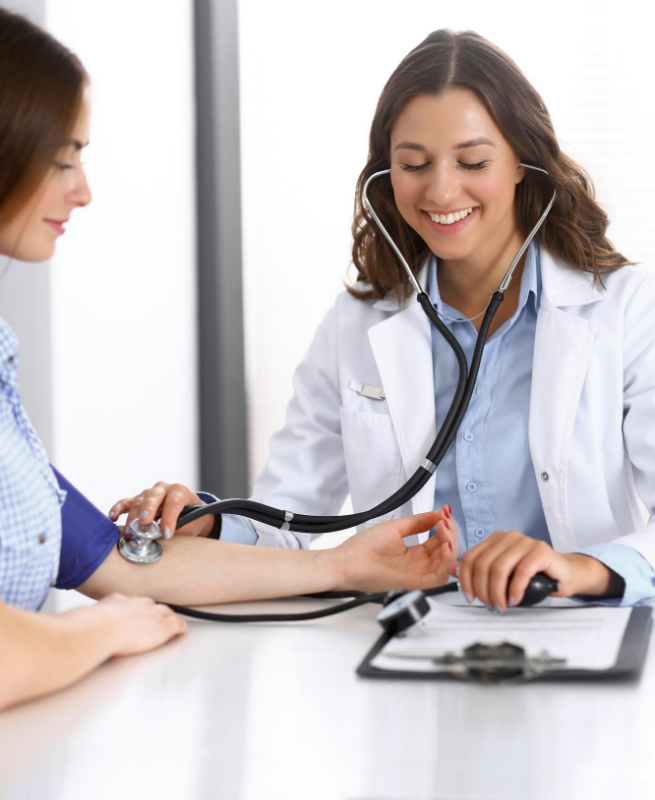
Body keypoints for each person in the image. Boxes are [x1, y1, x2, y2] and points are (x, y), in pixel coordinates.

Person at [0, 8, 456, 712]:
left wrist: (347, 562)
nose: (84, 189)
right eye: (64, 159)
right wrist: (103, 629)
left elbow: (116, 562)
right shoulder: (360, 319)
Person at [117, 29, 655, 612]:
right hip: (411, 644)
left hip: (581, 641)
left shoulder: (625, 310)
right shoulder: (355, 325)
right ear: (385, 174)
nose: (442, 188)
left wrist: (579, 569)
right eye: (413, 164)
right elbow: (292, 520)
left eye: (473, 161)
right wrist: (208, 521)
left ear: (526, 164)